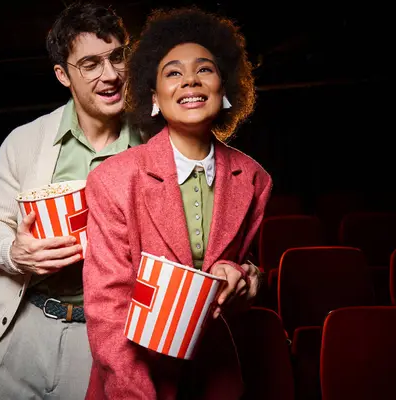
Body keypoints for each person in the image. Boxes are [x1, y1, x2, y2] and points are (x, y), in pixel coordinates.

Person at [83, 6, 272, 399]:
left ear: (225, 88)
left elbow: (248, 268)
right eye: (173, 72)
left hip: (217, 377)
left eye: (204, 69)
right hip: (134, 377)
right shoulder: (113, 179)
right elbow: (106, 309)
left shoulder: (254, 178)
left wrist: (245, 278)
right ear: (154, 96)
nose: (189, 79)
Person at [0, 2, 141, 399]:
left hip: (106, 337)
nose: (111, 74)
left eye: (117, 57)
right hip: (24, 324)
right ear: (63, 75)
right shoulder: (24, 140)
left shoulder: (155, 144)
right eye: (91, 64)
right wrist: (15, 253)